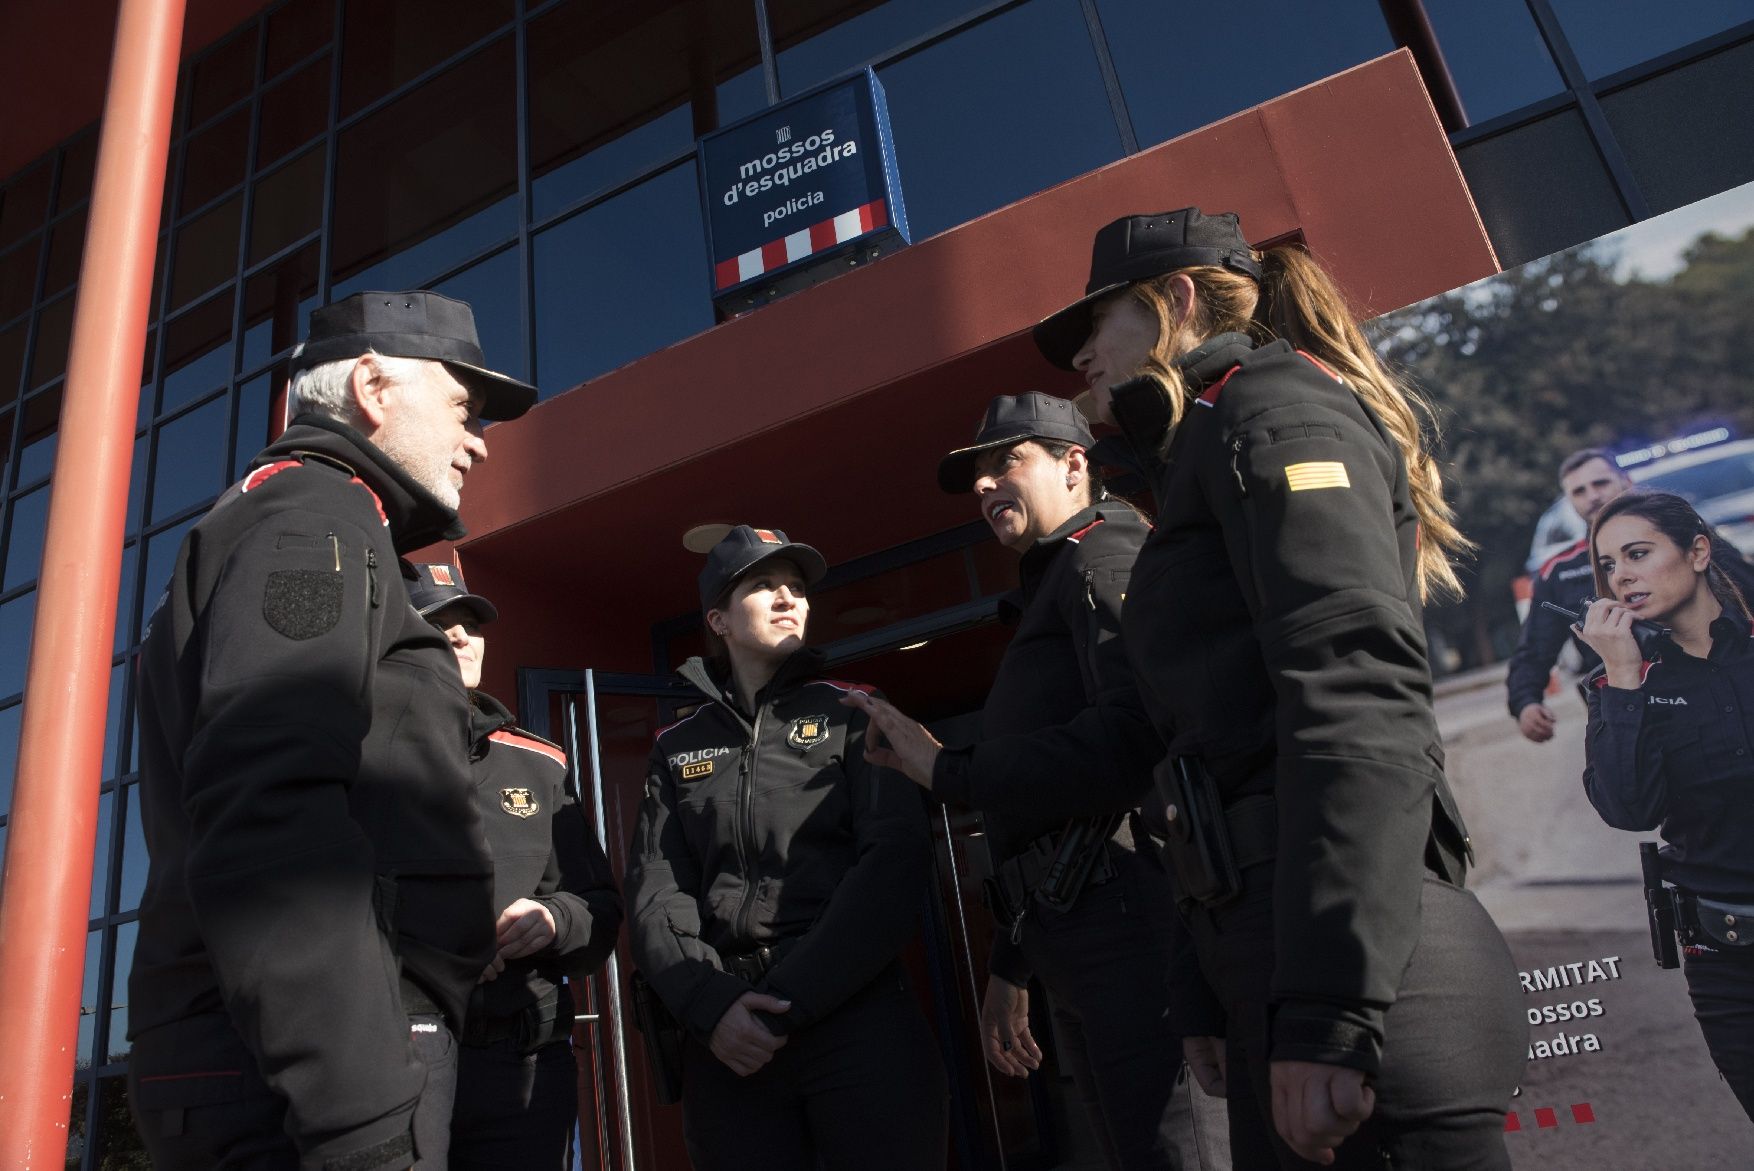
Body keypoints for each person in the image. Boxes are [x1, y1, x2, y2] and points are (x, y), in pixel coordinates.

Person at [1032, 208, 1527, 1168]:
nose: (1083, 356)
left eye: (1100, 325)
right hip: (1274, 955)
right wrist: (1205, 984)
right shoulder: (1209, 439)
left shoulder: (1269, 410)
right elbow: (1208, 748)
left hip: (1365, 983)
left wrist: (1333, 1008)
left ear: (1175, 300)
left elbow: (1355, 695)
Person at [127, 291, 536, 1170]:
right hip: (314, 1080)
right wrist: (361, 1115)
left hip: (301, 1057)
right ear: (373, 385)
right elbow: (270, 811)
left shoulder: (308, 520)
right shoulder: (316, 518)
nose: (479, 440)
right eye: (463, 407)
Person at [846, 392, 1227, 1170]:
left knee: (1175, 1152)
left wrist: (943, 766)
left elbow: (1132, 739)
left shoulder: (1104, 553)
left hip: (1131, 920)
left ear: (1075, 463)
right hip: (1078, 929)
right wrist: (1011, 964)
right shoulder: (1059, 576)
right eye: (977, 477)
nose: (985, 487)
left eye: (1005, 463)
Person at [624, 525, 947, 1170]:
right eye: (763, 585)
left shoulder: (857, 713)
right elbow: (657, 889)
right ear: (717, 618)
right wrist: (711, 1006)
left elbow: (893, 864)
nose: (787, 598)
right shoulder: (676, 746)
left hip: (853, 1019)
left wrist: (787, 1004)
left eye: (796, 588)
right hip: (727, 1038)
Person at [407, 563, 623, 1169]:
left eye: (470, 624)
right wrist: (440, 942)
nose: (460, 637)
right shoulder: (358, 754)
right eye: (436, 622)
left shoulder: (541, 765)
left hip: (522, 1069)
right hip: (398, 1064)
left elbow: (600, 907)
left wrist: (554, 920)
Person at [1576, 489, 1754, 1120]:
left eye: (1638, 553)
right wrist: (1624, 677)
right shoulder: (1619, 684)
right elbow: (1629, 809)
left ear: (1698, 551)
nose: (1622, 575)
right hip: (1728, 965)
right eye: (1608, 565)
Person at [1507, 449, 1634, 742]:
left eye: (1601, 483)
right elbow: (1535, 647)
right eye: (1579, 491)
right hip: (1615, 706)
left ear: (1626, 481)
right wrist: (1525, 702)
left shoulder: (1679, 538)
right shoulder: (1560, 571)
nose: (1592, 496)